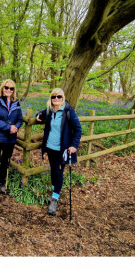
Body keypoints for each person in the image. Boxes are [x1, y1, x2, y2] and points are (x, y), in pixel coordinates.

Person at [34, 87, 83, 216]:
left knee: (58, 172)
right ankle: (54, 192)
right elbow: (41, 113)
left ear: (63, 98)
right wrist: (38, 115)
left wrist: (74, 145)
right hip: (50, 147)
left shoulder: (68, 111)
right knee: (53, 171)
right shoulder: (50, 110)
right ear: (51, 99)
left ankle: (55, 199)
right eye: (53, 97)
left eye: (59, 97)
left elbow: (78, 129)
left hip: (63, 149)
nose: (56, 99)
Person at [0, 77, 23, 195]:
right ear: (3, 88)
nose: (8, 90)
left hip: (10, 138)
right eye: (6, 87)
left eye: (11, 88)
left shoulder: (16, 103)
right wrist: (9, 127)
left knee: (5, 161)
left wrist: (16, 127)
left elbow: (20, 119)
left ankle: (2, 181)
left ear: (14, 90)